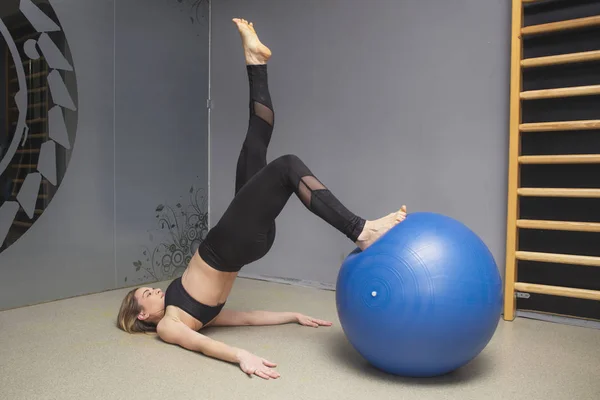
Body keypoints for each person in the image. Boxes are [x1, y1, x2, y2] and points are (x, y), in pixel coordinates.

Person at [117, 18, 407, 380]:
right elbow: (203, 344)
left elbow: (244, 318)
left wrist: (292, 316)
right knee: (287, 167)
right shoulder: (169, 324)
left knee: (256, 138)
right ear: (141, 313)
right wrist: (241, 357)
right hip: (228, 245)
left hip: (244, 241)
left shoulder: (195, 312)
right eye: (147, 294)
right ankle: (360, 230)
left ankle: (256, 61)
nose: (154, 290)